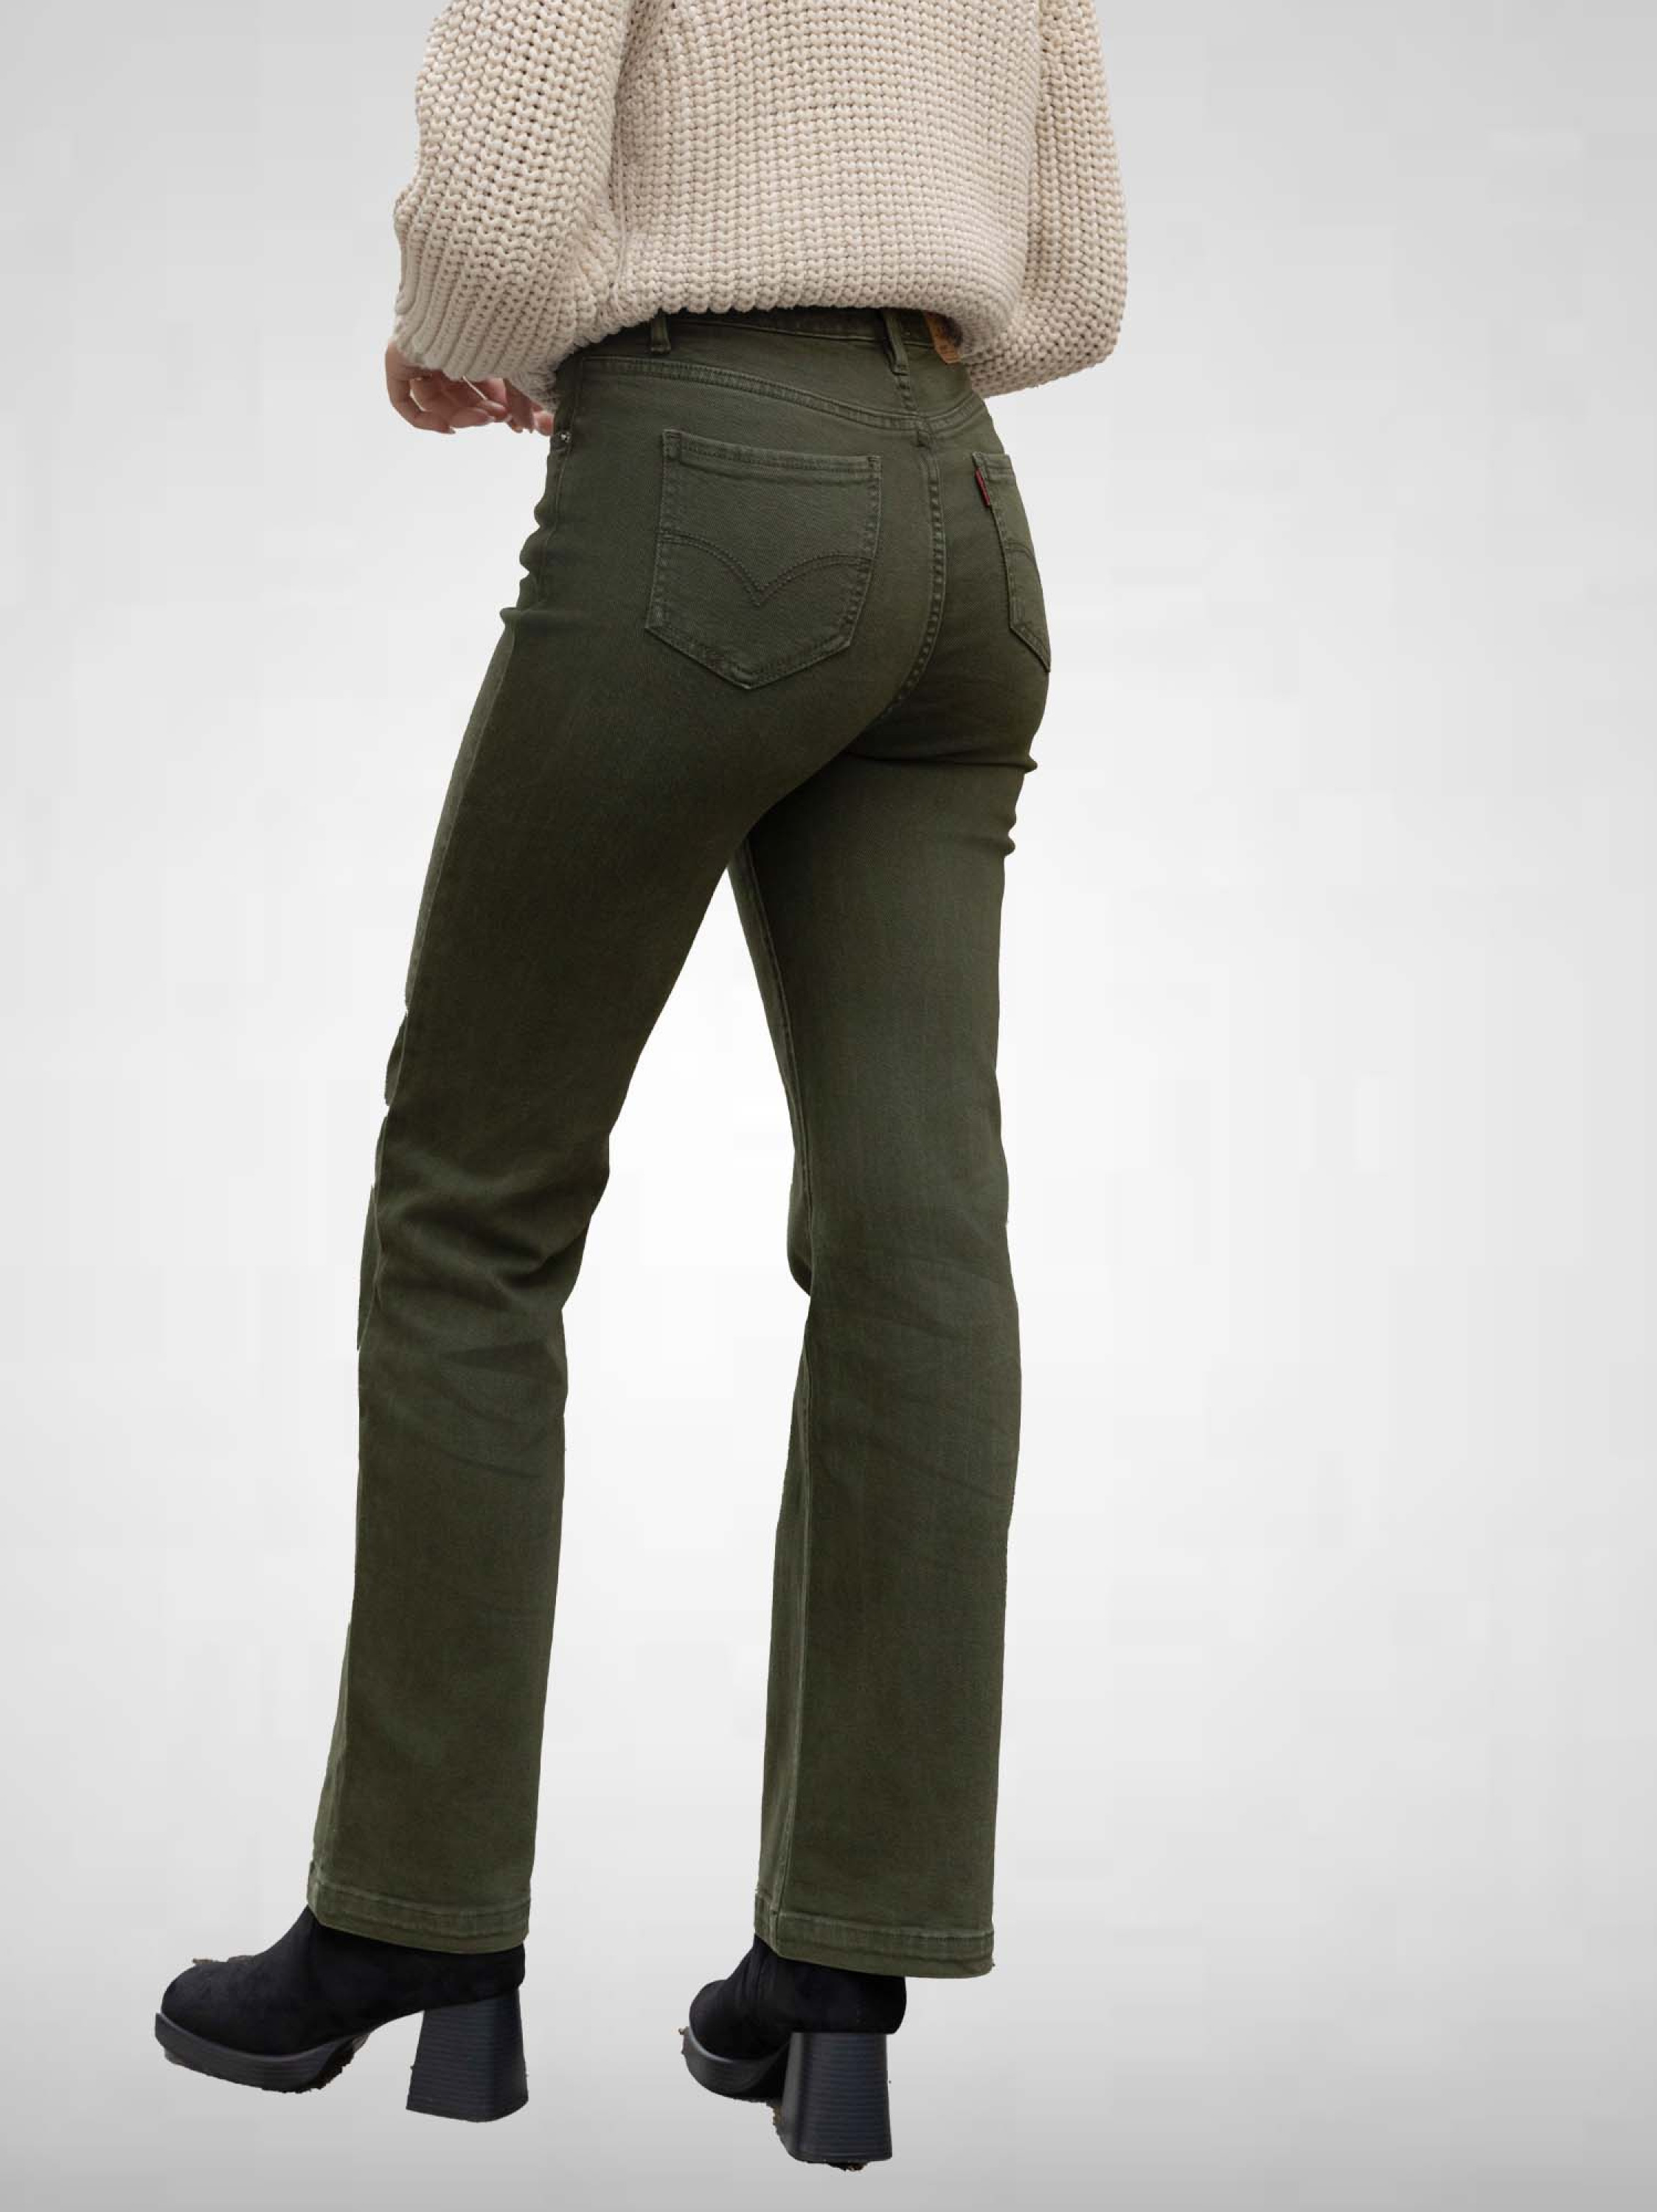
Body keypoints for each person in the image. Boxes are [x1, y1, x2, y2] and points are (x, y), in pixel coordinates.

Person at [150, 0, 1127, 2169]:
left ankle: (414, 1919)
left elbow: (502, 202)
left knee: (474, 1205)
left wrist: (461, 340)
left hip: (706, 483)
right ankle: (842, 1971)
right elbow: (1076, 282)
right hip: (967, 534)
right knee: (916, 1236)